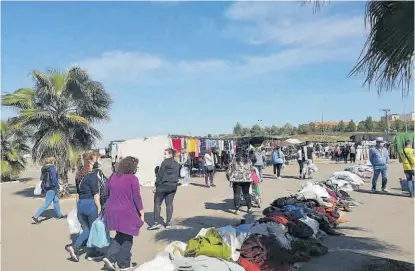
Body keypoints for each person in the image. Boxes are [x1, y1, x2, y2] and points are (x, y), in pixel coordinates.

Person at [103, 157, 144, 271]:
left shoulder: (113, 176)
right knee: (127, 237)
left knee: (122, 235)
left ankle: (118, 260)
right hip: (126, 211)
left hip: (112, 210)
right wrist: (141, 212)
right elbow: (136, 197)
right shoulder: (132, 179)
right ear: (132, 167)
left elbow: (106, 193)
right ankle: (121, 262)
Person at [66, 152, 103, 262]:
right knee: (92, 229)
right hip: (90, 205)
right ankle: (79, 248)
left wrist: (77, 207)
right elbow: (96, 195)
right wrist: (99, 207)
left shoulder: (79, 175)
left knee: (86, 229)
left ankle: (85, 250)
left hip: (81, 204)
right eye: (96, 160)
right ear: (91, 161)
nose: (98, 162)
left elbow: (78, 193)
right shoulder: (92, 176)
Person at [148, 148, 181, 230]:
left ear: (170, 154)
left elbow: (160, 174)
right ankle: (168, 223)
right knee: (169, 204)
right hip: (173, 186)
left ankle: (156, 223)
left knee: (157, 203)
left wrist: (156, 185)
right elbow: (179, 175)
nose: (164, 155)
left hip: (163, 186)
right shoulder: (177, 163)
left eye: (165, 153)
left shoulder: (165, 162)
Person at [32, 157, 63, 224]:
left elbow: (41, 178)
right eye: (54, 161)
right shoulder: (52, 168)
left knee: (56, 200)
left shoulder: (43, 168)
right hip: (51, 187)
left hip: (46, 186)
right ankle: (35, 216)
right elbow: (54, 179)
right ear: (52, 162)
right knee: (47, 203)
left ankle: (59, 215)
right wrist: (58, 186)